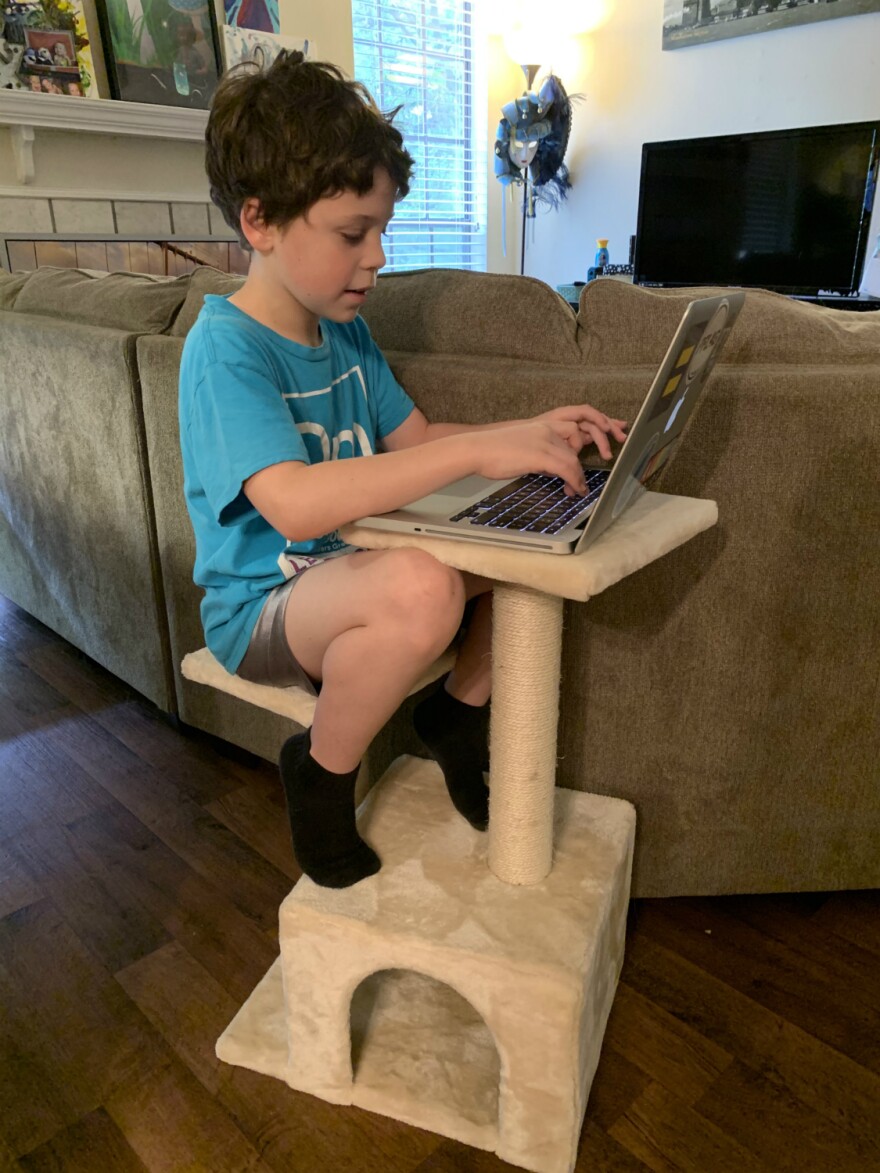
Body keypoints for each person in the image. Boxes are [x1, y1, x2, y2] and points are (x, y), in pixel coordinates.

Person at [180, 52, 626, 889]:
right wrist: (471, 452)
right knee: (425, 586)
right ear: (260, 222)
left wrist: (525, 435)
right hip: (263, 605)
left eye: (382, 229)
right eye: (354, 233)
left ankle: (456, 713)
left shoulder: (342, 332)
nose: (379, 256)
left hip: (352, 573)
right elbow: (295, 503)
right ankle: (320, 771)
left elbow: (414, 436)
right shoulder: (225, 351)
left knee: (526, 533)